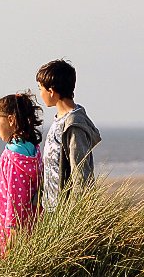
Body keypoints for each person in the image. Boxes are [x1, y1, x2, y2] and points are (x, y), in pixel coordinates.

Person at [0, 93, 43, 257]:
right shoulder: (33, 150)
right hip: (29, 227)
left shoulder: (13, 158)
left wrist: (11, 241)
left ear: (11, 120)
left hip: (6, 234)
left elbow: (16, 200)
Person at [36, 59, 102, 213]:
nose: (40, 94)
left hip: (64, 211)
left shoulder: (73, 125)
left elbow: (81, 171)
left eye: (40, 89)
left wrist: (77, 214)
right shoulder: (59, 119)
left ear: (51, 91)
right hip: (51, 207)